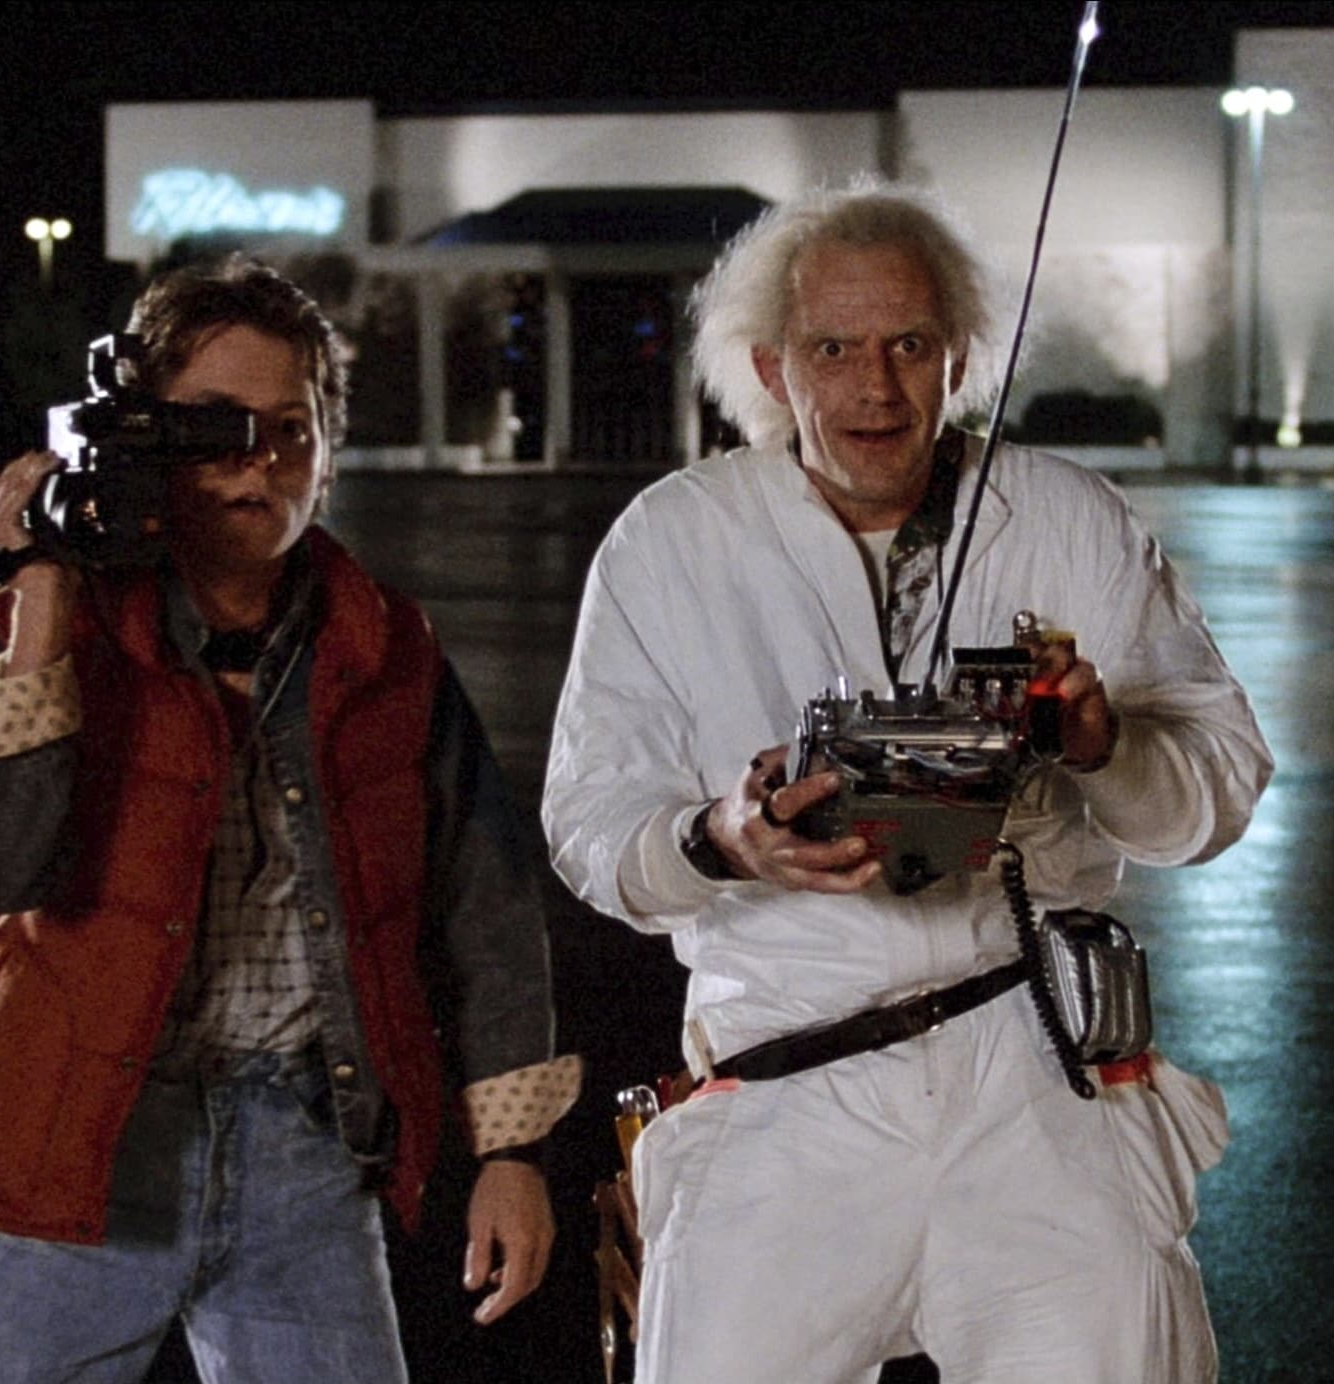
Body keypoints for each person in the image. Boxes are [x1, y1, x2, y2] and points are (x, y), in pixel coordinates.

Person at [542, 184, 1272, 1382]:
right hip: (784, 1071)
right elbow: (588, 826)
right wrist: (722, 839)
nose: (875, 387)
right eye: (834, 349)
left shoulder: (1067, 518)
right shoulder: (673, 541)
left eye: (910, 345)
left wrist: (1102, 745)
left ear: (961, 358)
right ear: (773, 369)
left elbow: (1222, 785)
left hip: (1031, 1062)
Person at [0, 256, 579, 1383]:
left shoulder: (386, 652)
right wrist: (44, 597)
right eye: (215, 429)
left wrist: (514, 1153)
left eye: (291, 431)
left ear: (329, 451)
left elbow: (487, 909)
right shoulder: (37, 633)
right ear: (143, 440)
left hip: (306, 1156)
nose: (258, 463)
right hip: (89, 1142)